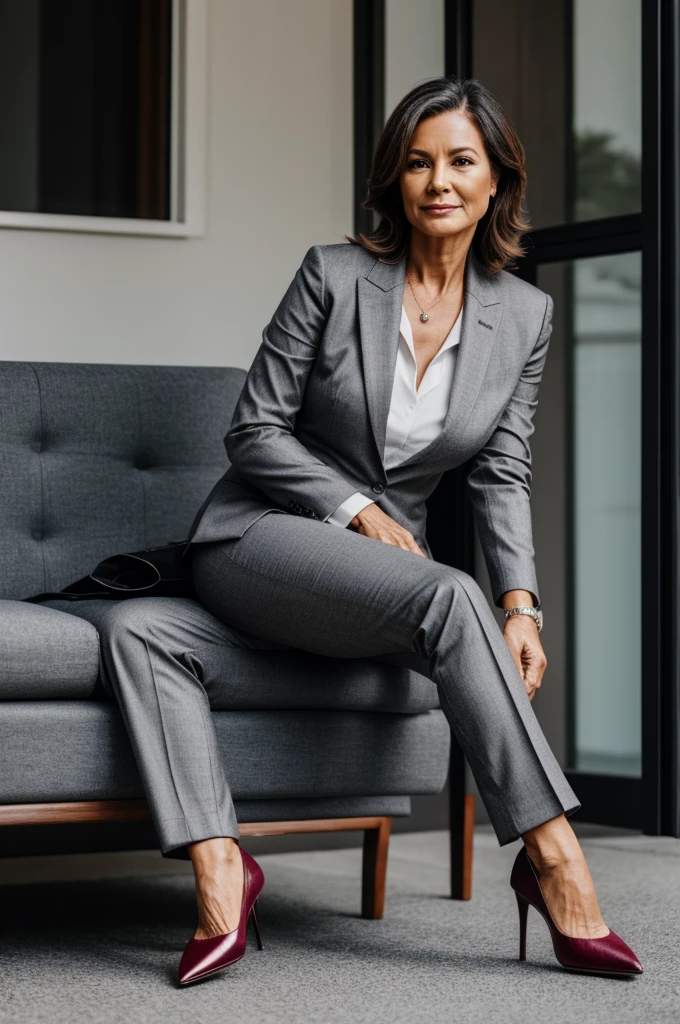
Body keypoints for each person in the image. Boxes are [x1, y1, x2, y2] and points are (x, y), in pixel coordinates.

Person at [69, 76, 643, 985]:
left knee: (141, 633)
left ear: (498, 181)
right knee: (453, 597)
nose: (439, 181)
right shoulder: (334, 276)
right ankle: (558, 861)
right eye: (418, 162)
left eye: (461, 161)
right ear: (394, 179)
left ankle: (225, 870)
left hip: (364, 585)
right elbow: (253, 428)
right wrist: (359, 508)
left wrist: (524, 605)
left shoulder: (523, 315)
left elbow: (502, 471)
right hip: (257, 541)